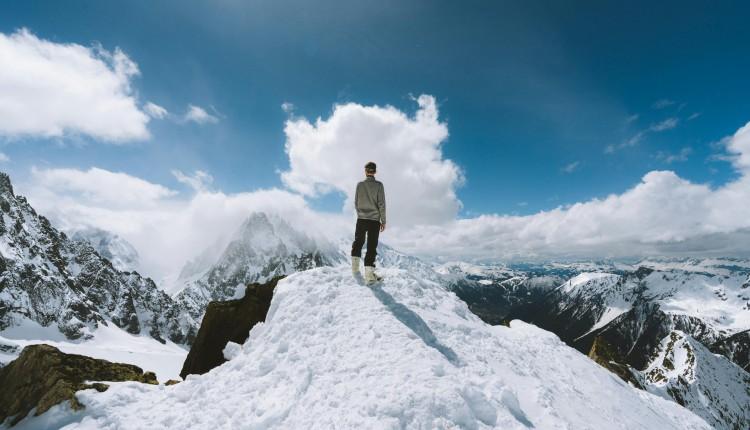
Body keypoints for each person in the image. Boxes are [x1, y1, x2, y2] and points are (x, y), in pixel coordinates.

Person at [351, 161, 386, 283]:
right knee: (371, 246)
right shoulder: (379, 185)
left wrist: (360, 214)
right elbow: (381, 204)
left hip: (361, 219)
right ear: (375, 172)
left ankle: (355, 270)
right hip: (374, 221)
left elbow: (356, 202)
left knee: (358, 242)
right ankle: (370, 277)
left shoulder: (359, 185)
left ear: (365, 171)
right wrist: (383, 220)